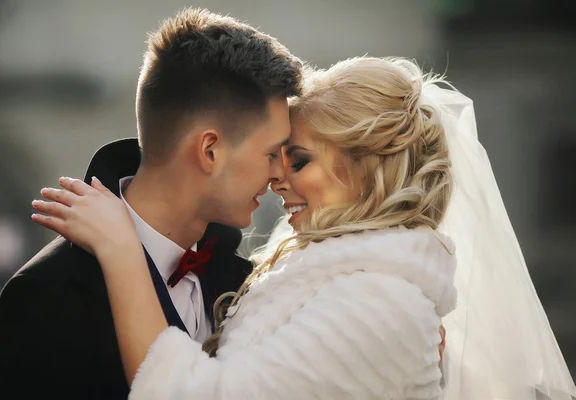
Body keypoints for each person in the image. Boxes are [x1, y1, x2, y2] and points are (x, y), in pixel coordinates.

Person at [32, 57, 461, 399]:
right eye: (274, 154)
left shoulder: (381, 303)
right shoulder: (314, 282)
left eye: (299, 159)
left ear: (368, 170)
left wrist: (124, 251)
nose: (277, 177)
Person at [0, 8, 303, 400]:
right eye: (271, 153)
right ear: (210, 150)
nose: (279, 174)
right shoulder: (50, 295)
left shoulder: (246, 284)